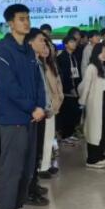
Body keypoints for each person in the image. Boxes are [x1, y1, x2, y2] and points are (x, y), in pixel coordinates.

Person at [0, 4, 46, 209]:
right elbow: (8, 86)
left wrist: (40, 106)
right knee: (12, 168)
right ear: (10, 23)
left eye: (28, 18)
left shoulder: (28, 50)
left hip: (31, 117)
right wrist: (31, 107)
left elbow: (38, 82)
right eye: (21, 19)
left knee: (27, 167)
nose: (26, 22)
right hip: (13, 118)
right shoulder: (4, 50)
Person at [24, 28, 53, 206]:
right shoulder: (28, 62)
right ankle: (28, 191)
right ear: (30, 42)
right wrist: (37, 108)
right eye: (41, 40)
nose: (44, 44)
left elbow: (43, 88)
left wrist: (46, 106)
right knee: (31, 155)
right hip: (33, 113)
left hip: (41, 111)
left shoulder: (38, 61)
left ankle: (34, 184)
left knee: (37, 153)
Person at [79, 43, 105, 169]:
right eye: (101, 52)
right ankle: (92, 159)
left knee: (103, 129)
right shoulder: (91, 67)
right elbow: (85, 86)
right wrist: (82, 102)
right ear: (95, 53)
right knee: (94, 130)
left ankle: (100, 155)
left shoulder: (104, 67)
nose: (104, 54)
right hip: (95, 104)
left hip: (104, 101)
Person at [38, 35, 64, 179]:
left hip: (53, 105)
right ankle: (41, 167)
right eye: (43, 46)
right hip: (44, 107)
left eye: (48, 46)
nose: (46, 49)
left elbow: (57, 84)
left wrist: (59, 98)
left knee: (49, 137)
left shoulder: (50, 64)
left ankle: (46, 164)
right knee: (43, 138)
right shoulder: (38, 65)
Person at [57, 35, 82, 143]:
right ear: (66, 44)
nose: (74, 44)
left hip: (75, 88)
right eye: (71, 42)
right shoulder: (62, 57)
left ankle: (70, 133)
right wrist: (69, 88)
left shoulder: (73, 56)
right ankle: (65, 135)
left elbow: (76, 73)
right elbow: (63, 75)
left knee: (73, 113)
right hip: (67, 90)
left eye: (75, 42)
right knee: (67, 113)